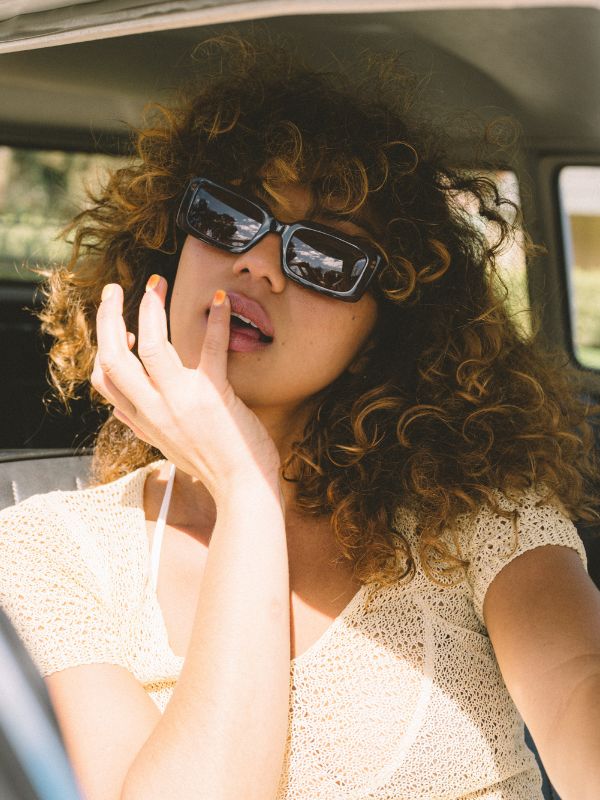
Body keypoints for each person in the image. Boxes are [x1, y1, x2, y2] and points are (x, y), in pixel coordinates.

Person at [1, 33, 600, 800]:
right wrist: (247, 492)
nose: (258, 262)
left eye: (323, 257)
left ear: (383, 332)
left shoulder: (480, 523)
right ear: (172, 243)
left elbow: (579, 687)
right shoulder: (48, 551)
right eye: (225, 215)